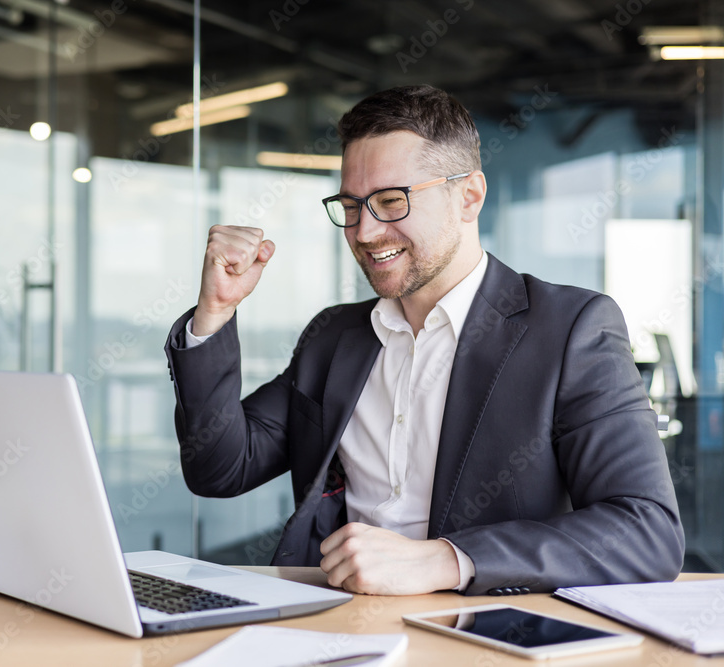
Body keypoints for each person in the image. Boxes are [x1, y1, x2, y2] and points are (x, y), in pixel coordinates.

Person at [163, 85, 685, 596]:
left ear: (469, 197)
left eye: (391, 201)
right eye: (351, 206)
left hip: (487, 634)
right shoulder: (334, 335)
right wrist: (216, 311)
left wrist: (447, 560)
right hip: (340, 623)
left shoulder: (571, 328)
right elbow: (220, 468)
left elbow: (646, 531)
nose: (365, 232)